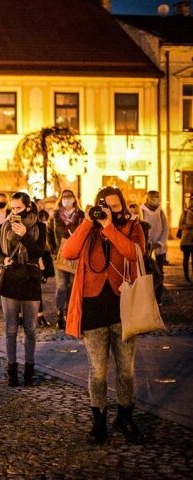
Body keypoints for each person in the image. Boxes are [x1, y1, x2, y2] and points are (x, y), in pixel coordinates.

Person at [61, 186, 146, 444]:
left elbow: (133, 253)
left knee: (126, 371)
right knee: (97, 371)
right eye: (105, 205)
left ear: (122, 205)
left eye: (115, 205)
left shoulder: (132, 227)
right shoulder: (89, 228)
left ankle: (125, 417)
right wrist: (88, 222)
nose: (110, 210)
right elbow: (68, 252)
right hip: (94, 310)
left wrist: (109, 226)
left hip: (124, 309)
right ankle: (99, 421)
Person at [0, 192, 45, 387]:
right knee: (11, 330)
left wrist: (25, 235)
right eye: (12, 208)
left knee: (30, 329)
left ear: (28, 207)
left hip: (30, 282)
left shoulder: (40, 227)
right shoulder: (5, 226)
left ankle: (29, 371)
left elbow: (38, 252)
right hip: (10, 281)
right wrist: (2, 259)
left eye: (18, 208)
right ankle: (11, 371)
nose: (14, 212)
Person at [48, 189, 85, 330]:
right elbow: (49, 232)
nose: (66, 199)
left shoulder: (81, 216)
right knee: (61, 285)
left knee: (72, 285)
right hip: (60, 254)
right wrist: (52, 250)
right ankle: (59, 313)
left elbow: (84, 233)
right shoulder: (55, 215)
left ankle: (70, 314)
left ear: (75, 199)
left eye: (69, 197)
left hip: (76, 255)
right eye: (64, 197)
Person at [140, 191, 168, 304]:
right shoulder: (142, 210)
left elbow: (165, 229)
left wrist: (160, 243)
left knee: (159, 272)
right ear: (148, 198)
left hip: (159, 247)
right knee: (146, 272)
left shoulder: (160, 212)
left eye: (157, 197)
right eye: (154, 197)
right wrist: (147, 244)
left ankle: (158, 297)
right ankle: (146, 297)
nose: (156, 199)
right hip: (146, 247)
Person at [179, 194, 193, 283]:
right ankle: (187, 276)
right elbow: (180, 225)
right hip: (186, 240)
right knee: (186, 259)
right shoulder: (185, 212)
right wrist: (189, 226)